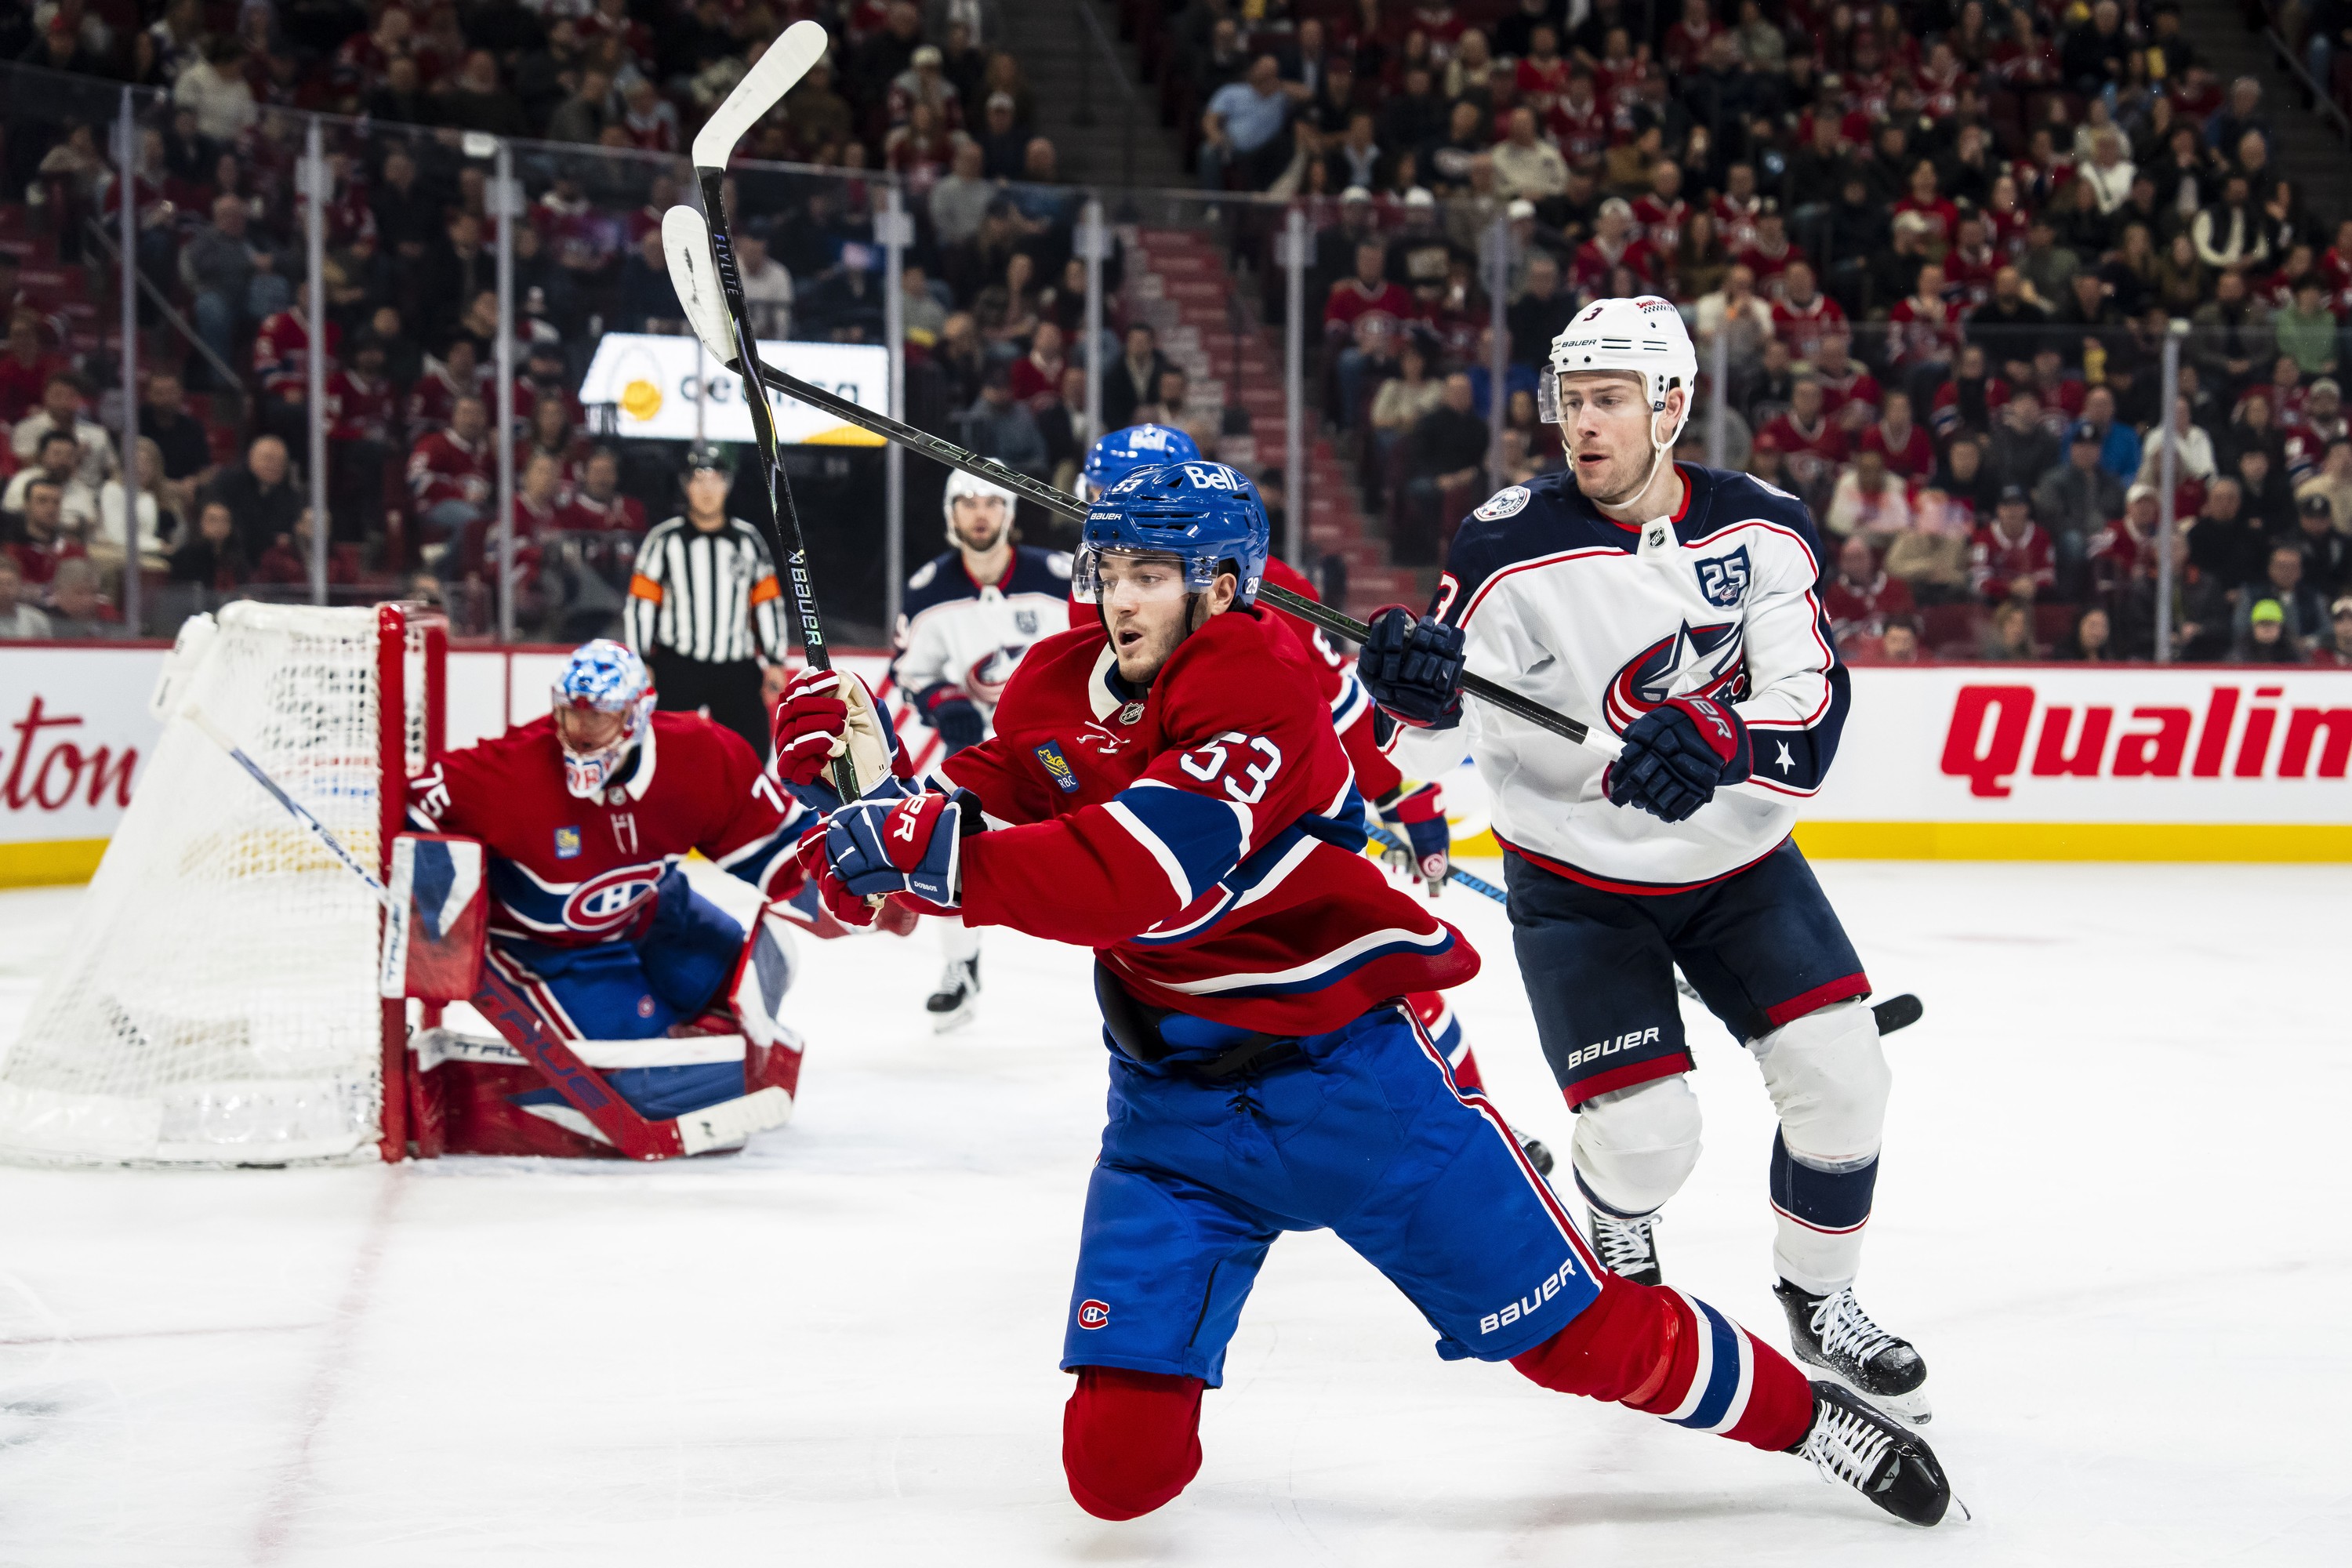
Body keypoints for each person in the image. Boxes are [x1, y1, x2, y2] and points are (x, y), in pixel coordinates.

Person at [772, 459, 1953, 1529]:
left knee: (1578, 1340)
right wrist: (843, 784)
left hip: (1355, 1092)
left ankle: (1811, 1418)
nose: (1121, 600)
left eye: (1151, 575)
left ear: (1223, 587)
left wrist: (928, 848)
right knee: (1118, 1477)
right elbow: (901, 859)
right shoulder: (1051, 687)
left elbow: (1144, 878)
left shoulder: (1262, 679)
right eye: (1109, 571)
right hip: (1173, 1122)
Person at [1356, 296, 1938, 1426]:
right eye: (1572, 400)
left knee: (1845, 1082)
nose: (1586, 424)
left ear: (1671, 406)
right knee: (1648, 1137)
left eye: (1611, 400)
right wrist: (1406, 688)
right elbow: (1422, 736)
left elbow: (1807, 718)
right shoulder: (1506, 540)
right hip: (1576, 887)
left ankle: (1820, 1305)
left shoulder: (1760, 527)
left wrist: (1725, 743)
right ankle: (1617, 1212)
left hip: (1738, 872)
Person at [405, 641, 810, 1134]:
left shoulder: (701, 752)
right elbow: (415, 808)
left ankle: (674, 1029)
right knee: (659, 1083)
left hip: (654, 911)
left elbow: (781, 843)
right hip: (551, 949)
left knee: (756, 983)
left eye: (596, 719)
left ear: (637, 715)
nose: (578, 736)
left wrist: (856, 888)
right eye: (568, 716)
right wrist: (434, 914)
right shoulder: (508, 771)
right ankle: (544, 1093)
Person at [890, 465, 1074, 1029]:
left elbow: (1107, 646)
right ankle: (961, 966)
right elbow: (908, 669)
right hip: (980, 753)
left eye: (991, 502)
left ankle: (1144, 959)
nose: (979, 512)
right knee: (942, 845)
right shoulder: (929, 590)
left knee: (1107, 829)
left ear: (1009, 513)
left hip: (1056, 746)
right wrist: (943, 699)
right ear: (952, 515)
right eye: (966, 501)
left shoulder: (1058, 576)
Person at [624, 448, 788, 761]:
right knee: (664, 753)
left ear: (727, 485)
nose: (707, 489)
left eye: (715, 479)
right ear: (686, 486)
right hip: (679, 665)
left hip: (735, 667)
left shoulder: (748, 541)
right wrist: (641, 658)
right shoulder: (664, 540)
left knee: (752, 755)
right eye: (699, 480)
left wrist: (775, 659)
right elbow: (641, 604)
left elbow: (767, 603)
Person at [0, 554, 51, 638]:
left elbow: (48, 650)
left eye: (10, 584)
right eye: (0, 584)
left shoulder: (37, 620)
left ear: (19, 585)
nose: (5, 589)